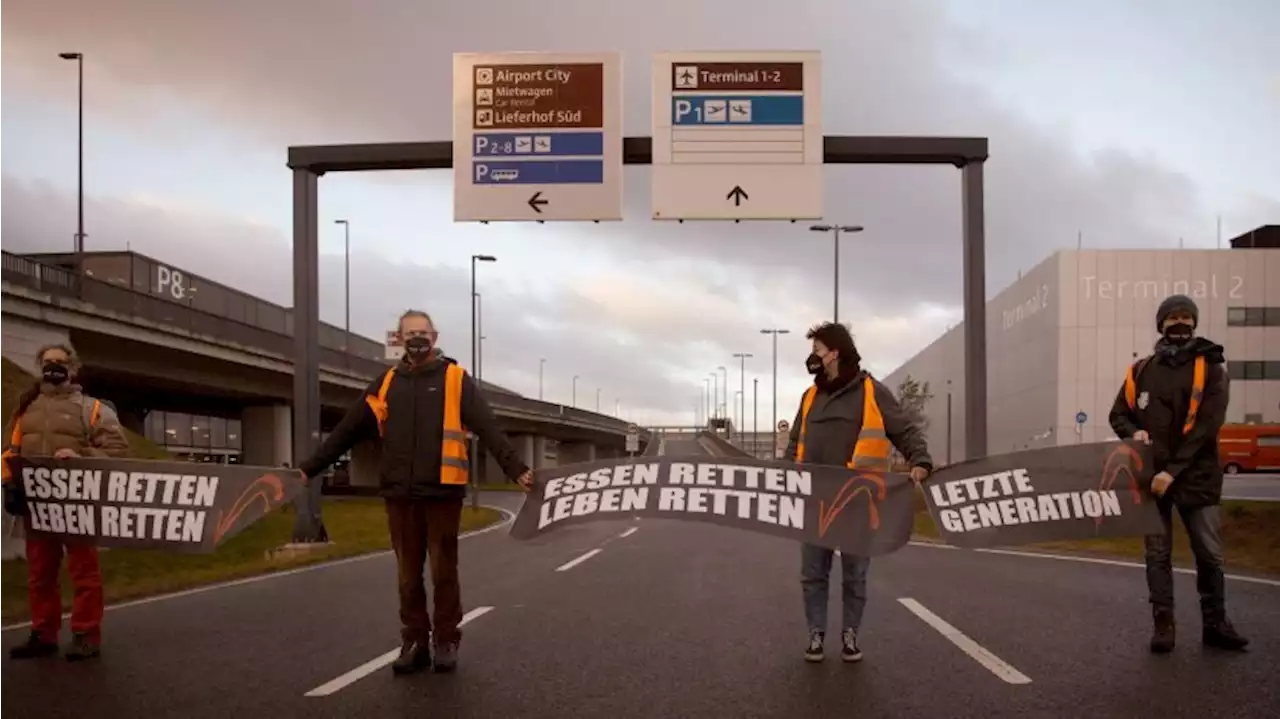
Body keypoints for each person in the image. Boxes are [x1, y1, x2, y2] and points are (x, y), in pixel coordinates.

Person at [298, 309, 534, 676]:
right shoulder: (386, 383)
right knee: (407, 575)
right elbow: (347, 430)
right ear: (399, 338)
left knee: (443, 572)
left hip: (442, 494)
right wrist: (308, 469)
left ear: (435, 337)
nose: (417, 338)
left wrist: (516, 469)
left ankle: (445, 641)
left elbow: (489, 428)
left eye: (423, 332)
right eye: (410, 333)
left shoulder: (456, 380)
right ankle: (414, 642)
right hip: (400, 496)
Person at [783, 322, 932, 663]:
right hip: (815, 501)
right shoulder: (809, 398)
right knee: (813, 574)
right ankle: (816, 634)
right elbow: (795, 444)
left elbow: (904, 429)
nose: (813, 357)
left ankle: (850, 635)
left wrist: (920, 460)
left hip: (857, 502)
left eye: (818, 350)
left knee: (855, 575)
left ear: (834, 353)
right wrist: (786, 474)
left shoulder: (870, 391)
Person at [1108, 294, 1248, 654]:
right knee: (1157, 554)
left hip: (1196, 475)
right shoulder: (1141, 370)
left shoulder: (1212, 368)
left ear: (1195, 323)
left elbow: (1206, 428)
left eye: (1186, 317)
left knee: (1209, 553)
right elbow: (1118, 414)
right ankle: (1163, 625)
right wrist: (1131, 433)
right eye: (1172, 318)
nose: (1180, 324)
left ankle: (1215, 623)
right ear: (1161, 324)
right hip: (1151, 480)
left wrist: (1171, 472)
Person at [0, 344, 130, 661]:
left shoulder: (93, 409)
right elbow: (9, 451)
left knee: (84, 575)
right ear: (39, 366)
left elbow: (118, 452)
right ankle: (43, 634)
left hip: (78, 507)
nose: (53, 368)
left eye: (59, 362)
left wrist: (81, 456)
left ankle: (86, 635)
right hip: (38, 507)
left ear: (72, 368)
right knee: (40, 575)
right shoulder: (25, 409)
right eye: (47, 362)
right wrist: (8, 483)